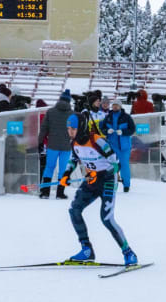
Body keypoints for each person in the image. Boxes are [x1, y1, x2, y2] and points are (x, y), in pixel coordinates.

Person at [59, 112, 138, 265]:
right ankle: (86, 250)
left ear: (81, 127)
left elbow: (116, 164)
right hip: (91, 181)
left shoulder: (98, 141)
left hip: (107, 181)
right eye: (68, 128)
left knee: (106, 219)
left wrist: (101, 174)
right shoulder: (74, 143)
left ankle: (128, 252)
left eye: (73, 129)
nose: (70, 132)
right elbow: (74, 159)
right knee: (74, 210)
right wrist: (66, 174)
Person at [38, 89, 73, 199]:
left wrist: (39, 142)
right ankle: (60, 193)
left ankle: (45, 192)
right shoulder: (72, 114)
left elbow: (44, 129)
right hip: (66, 146)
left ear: (59, 99)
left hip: (52, 144)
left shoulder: (50, 112)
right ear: (69, 101)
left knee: (49, 167)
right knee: (63, 169)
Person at [100, 99, 135, 192]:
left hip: (124, 145)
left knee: (124, 165)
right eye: (114, 105)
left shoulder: (126, 117)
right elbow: (102, 128)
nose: (115, 107)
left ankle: (126, 185)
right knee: (110, 165)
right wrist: (106, 131)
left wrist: (123, 132)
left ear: (120, 106)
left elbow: (132, 129)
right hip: (111, 144)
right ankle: (110, 183)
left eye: (117, 105)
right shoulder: (108, 117)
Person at [36, 99, 48, 181]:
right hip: (45, 144)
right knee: (44, 165)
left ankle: (38, 181)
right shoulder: (45, 116)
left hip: (37, 143)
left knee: (39, 165)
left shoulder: (34, 116)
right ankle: (42, 183)